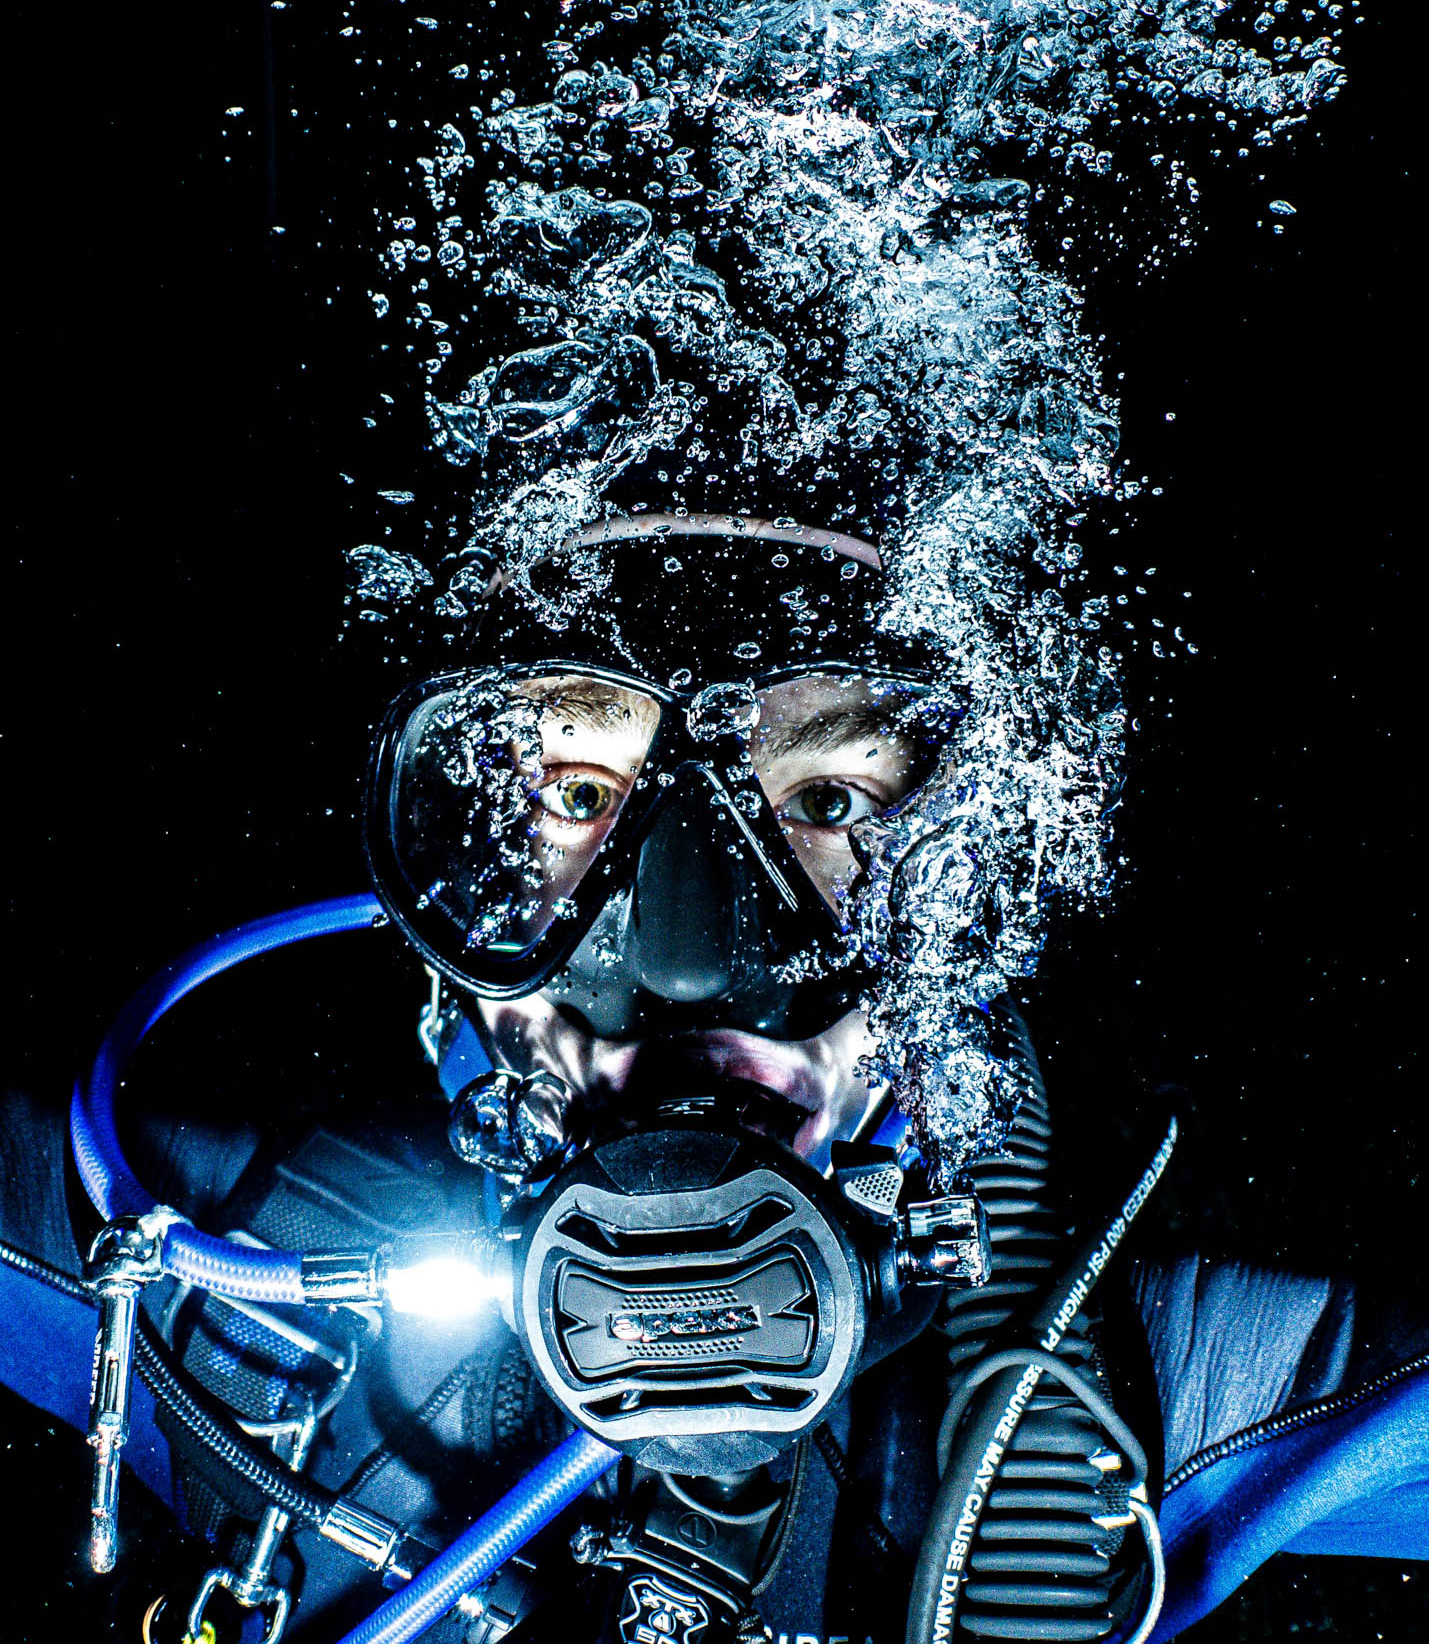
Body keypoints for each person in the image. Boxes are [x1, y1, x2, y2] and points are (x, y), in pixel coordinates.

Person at [1, 509, 1425, 1644]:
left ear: (972, 873)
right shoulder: (219, 1280)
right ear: (453, 889)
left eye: (827, 800)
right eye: (578, 797)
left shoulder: (1133, 1377)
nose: (690, 961)